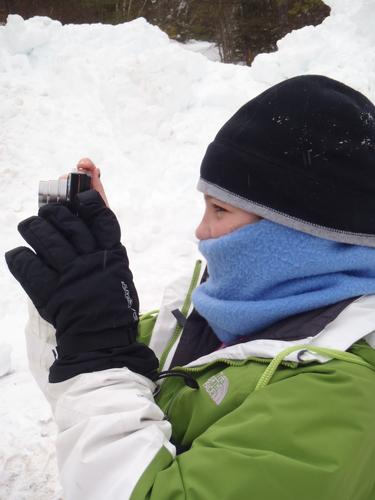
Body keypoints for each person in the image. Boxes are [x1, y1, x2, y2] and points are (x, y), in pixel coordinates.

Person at [5, 74, 375, 500]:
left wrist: (96, 351)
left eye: (220, 210)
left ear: (297, 233)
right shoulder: (210, 319)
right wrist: (74, 300)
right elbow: (75, 395)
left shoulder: (336, 397)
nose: (201, 231)